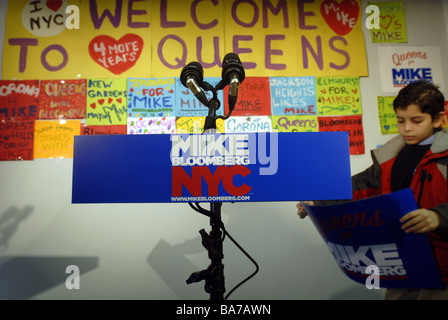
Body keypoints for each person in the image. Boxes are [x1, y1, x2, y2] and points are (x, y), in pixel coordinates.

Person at [297, 80, 448, 300]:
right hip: (403, 264)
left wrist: (438, 217)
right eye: (400, 120)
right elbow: (357, 188)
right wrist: (317, 202)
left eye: (417, 121)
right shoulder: (390, 158)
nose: (406, 128)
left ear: (437, 119)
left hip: (443, 271)